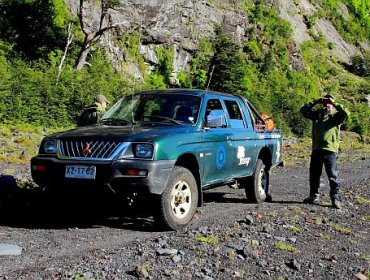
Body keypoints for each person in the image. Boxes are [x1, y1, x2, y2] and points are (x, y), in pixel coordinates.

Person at [300, 94, 350, 209]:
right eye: (325, 103)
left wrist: (335, 103)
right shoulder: (317, 115)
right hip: (317, 149)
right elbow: (303, 111)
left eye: (329, 103)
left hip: (330, 150)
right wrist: (316, 101)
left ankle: (335, 198)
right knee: (314, 174)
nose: (326, 105)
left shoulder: (336, 117)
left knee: (332, 175)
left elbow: (346, 113)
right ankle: (314, 196)